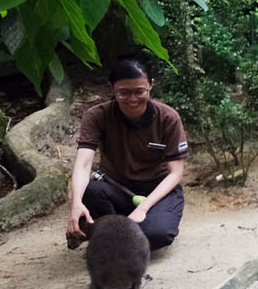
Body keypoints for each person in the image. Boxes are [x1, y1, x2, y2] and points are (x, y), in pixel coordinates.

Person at [66, 58, 188, 251]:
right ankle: (113, 231)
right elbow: (83, 164)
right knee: (90, 191)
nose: (132, 99)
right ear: (112, 88)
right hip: (116, 187)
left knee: (158, 233)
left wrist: (143, 208)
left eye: (139, 91)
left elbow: (176, 173)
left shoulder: (168, 118)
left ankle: (108, 233)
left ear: (151, 86)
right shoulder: (96, 116)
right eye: (123, 93)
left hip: (157, 189)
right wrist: (76, 203)